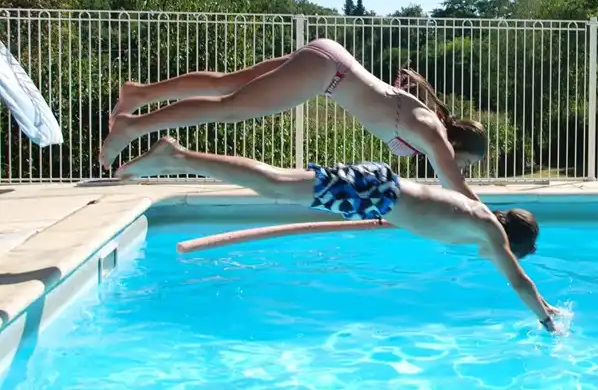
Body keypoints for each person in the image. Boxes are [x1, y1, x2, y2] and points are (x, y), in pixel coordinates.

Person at [117, 136, 563, 332]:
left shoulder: (481, 219)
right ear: (512, 242)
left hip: (377, 192)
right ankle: (179, 154)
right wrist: (546, 318)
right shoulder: (491, 231)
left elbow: (428, 214)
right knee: (275, 184)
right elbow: (518, 283)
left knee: (277, 186)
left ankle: (178, 156)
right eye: (514, 253)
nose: (507, 258)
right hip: (376, 192)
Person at [100, 39, 487, 201]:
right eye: (465, 162)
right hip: (327, 74)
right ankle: (133, 125)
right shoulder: (434, 134)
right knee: (230, 106)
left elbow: (449, 181)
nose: (461, 169)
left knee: (227, 85)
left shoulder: (430, 126)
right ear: (459, 145)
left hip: (330, 59)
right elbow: (456, 188)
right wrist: (496, 223)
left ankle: (139, 94)